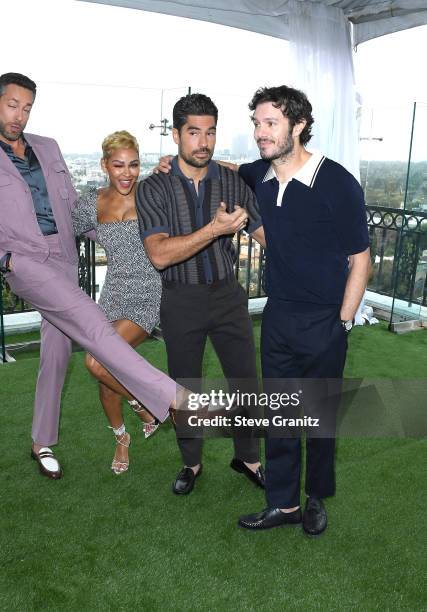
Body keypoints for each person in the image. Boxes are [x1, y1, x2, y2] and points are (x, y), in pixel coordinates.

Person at [0, 72, 187, 481]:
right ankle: (170, 398)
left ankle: (40, 442)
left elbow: (74, 209)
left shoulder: (48, 148)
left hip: (64, 260)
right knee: (93, 323)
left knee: (56, 354)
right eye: (12, 105)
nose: (19, 115)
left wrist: (122, 235)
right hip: (25, 264)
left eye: (26, 107)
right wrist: (6, 261)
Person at [232, 86, 371, 535]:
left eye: (270, 123)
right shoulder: (262, 175)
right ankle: (284, 504)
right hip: (278, 319)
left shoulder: (337, 182)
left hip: (325, 320)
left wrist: (343, 322)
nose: (260, 132)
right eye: (256, 123)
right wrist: (177, 163)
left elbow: (360, 259)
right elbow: (232, 169)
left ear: (299, 125)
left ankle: (315, 499)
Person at [137, 93, 266, 496]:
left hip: (228, 296)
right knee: (184, 386)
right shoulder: (153, 188)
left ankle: (248, 458)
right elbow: (158, 254)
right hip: (180, 298)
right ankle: (191, 463)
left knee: (246, 380)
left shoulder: (232, 181)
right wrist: (215, 229)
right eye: (193, 132)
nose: (203, 142)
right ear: (175, 135)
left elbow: (266, 236)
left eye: (210, 132)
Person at [72, 131, 161, 474]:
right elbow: (61, 233)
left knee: (97, 362)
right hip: (112, 293)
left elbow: (196, 177)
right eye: (118, 165)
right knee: (106, 373)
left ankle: (143, 404)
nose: (127, 172)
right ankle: (122, 438)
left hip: (149, 292)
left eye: (134, 164)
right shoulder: (91, 203)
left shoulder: (153, 194)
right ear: (104, 165)